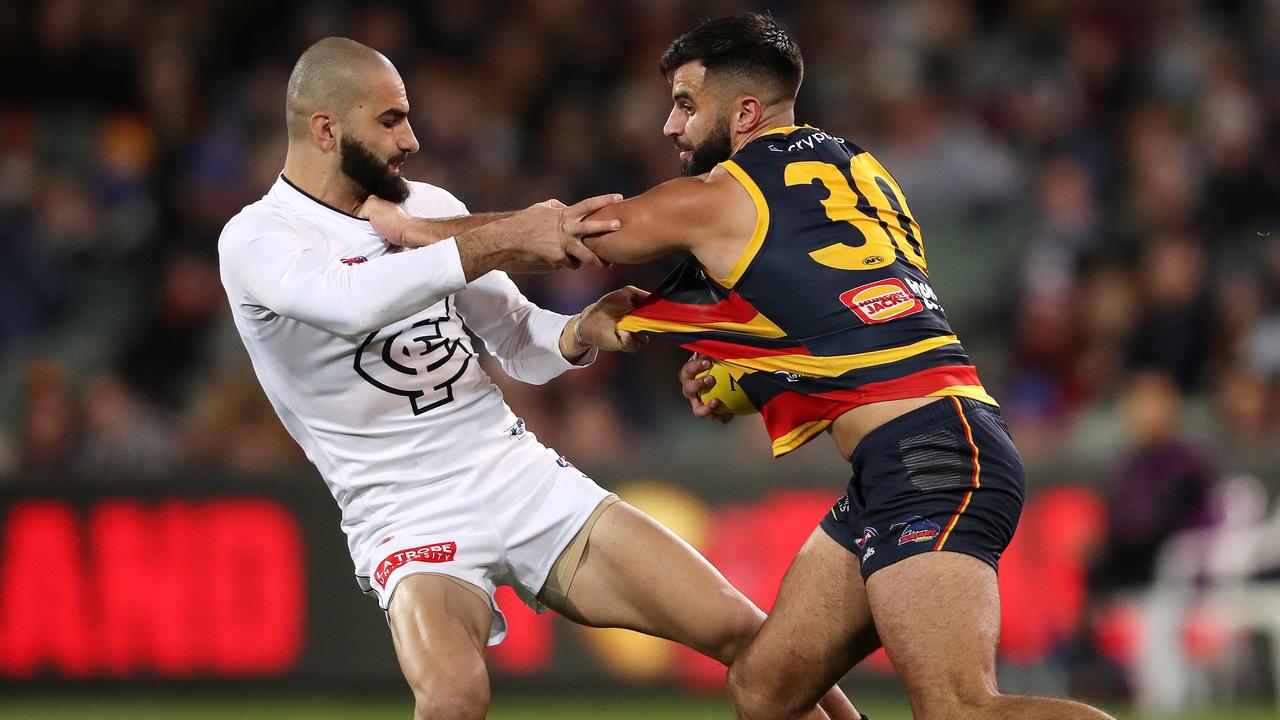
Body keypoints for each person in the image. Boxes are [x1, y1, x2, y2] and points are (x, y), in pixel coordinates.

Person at [219, 37, 856, 720]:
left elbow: (518, 339)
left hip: (517, 475)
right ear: (325, 129)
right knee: (454, 698)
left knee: (748, 634)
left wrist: (581, 330)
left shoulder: (422, 206)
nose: (411, 138)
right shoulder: (258, 239)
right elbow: (349, 304)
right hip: (405, 515)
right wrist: (509, 234)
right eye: (390, 120)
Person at [579, 14, 1118, 720]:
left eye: (685, 104)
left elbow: (577, 235)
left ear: (744, 112)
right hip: (915, 450)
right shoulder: (855, 169)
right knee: (766, 692)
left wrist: (424, 240)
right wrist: (744, 373)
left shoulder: (724, 195)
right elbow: (852, 317)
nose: (669, 127)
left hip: (932, 453)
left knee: (958, 710)